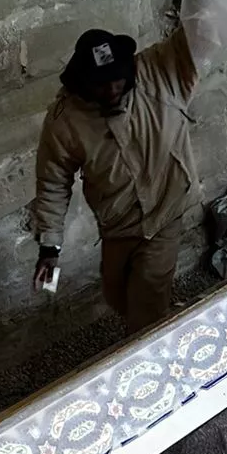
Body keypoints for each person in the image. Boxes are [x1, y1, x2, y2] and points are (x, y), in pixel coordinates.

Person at [32, 26, 199, 335]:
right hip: (117, 224)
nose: (111, 90)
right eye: (101, 84)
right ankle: (160, 320)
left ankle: (154, 357)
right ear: (83, 82)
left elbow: (197, 32)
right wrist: (49, 248)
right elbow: (53, 182)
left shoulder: (158, 72)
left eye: (117, 79)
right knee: (117, 295)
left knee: (146, 303)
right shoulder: (65, 121)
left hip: (165, 209)